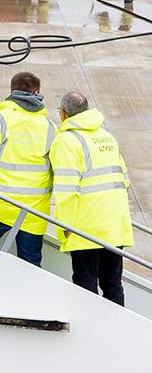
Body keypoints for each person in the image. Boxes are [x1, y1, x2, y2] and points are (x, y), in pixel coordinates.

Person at [49, 91, 132, 304]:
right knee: (113, 283)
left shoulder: (67, 140)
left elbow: (67, 190)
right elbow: (125, 180)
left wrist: (65, 227)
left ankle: (90, 334)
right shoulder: (107, 137)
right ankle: (115, 331)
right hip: (114, 225)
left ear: (63, 114)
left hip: (86, 227)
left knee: (85, 284)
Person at [0, 72, 52, 273]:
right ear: (37, 93)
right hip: (34, 210)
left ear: (12, 90)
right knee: (30, 261)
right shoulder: (50, 127)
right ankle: (24, 301)